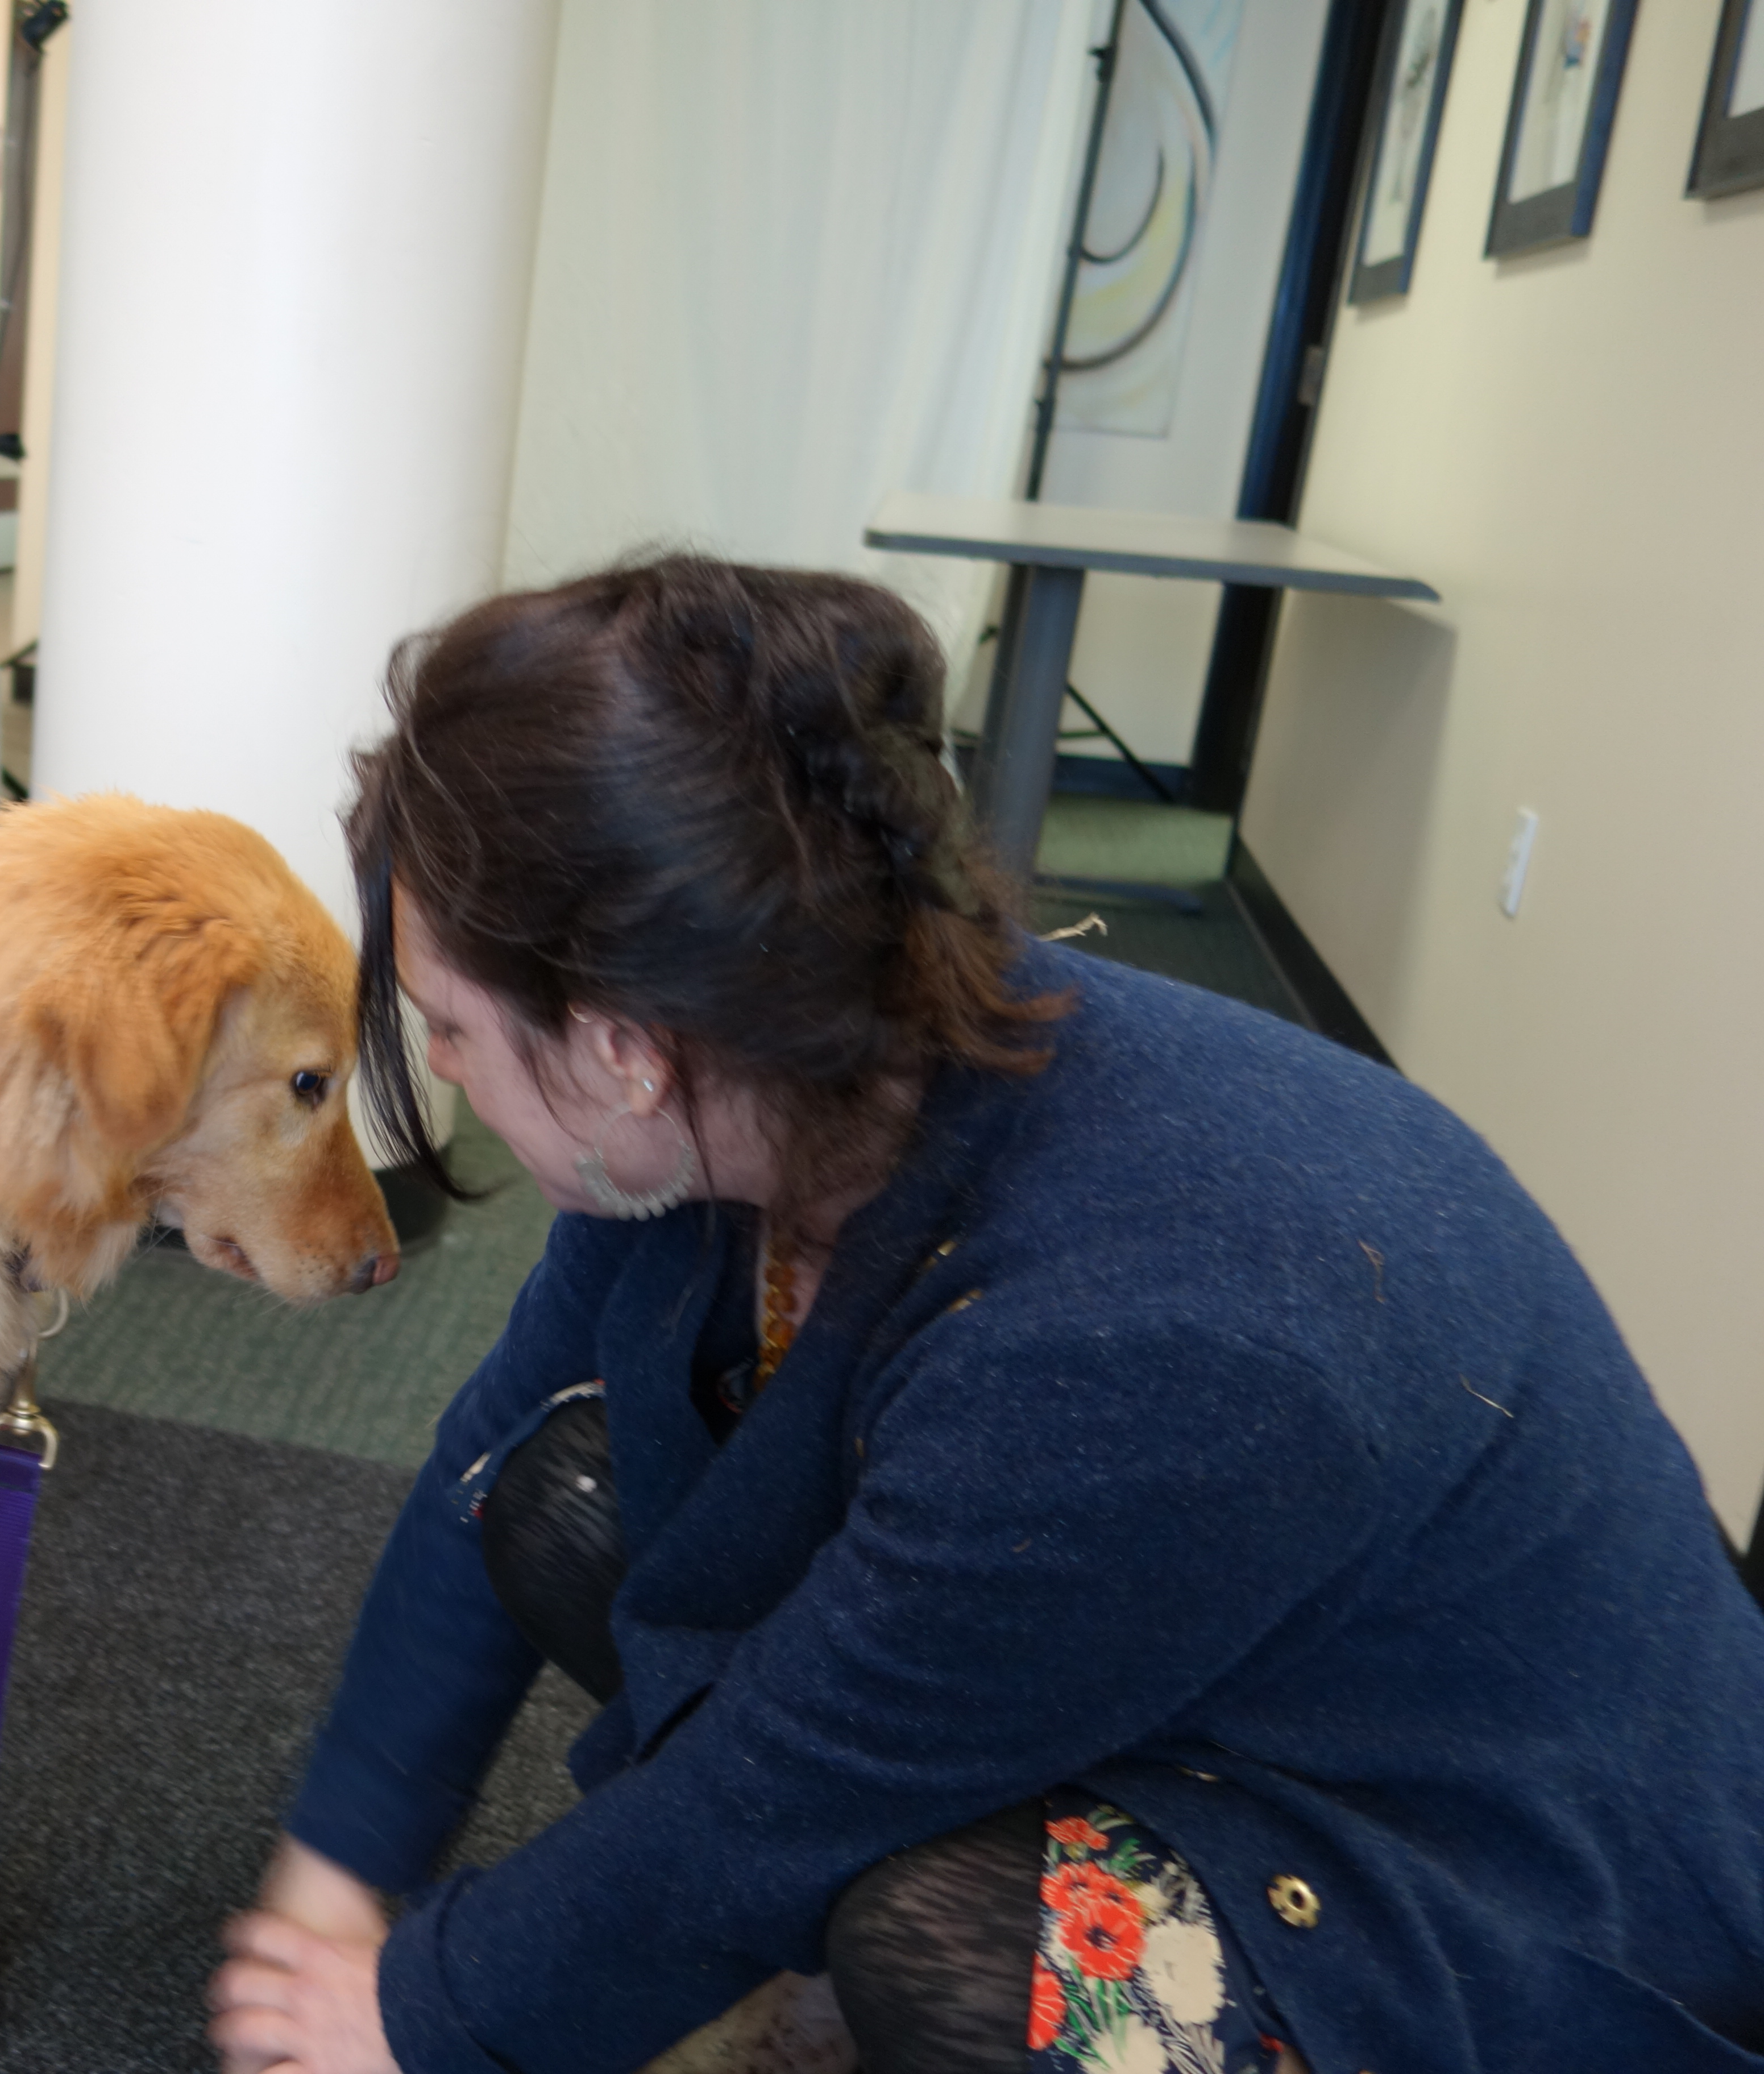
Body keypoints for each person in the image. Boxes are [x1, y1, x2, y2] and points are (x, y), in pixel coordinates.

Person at [202, 556, 1764, 2074]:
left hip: (1504, 1881)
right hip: (1182, 1660)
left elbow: (780, 1792)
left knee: (952, 1954)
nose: (449, 1071)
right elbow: (496, 1447)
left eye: (456, 1029)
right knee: (573, 1491)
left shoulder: (1137, 1338)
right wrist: (335, 1881)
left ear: (624, 1052)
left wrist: (416, 2020)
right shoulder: (758, 1072)